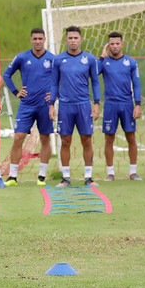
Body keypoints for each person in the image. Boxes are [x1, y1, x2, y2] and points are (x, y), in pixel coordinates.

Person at [49, 25, 100, 187]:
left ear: (81, 39)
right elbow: (53, 83)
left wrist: (97, 104)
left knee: (86, 140)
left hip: (83, 105)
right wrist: (51, 105)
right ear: (66, 40)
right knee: (65, 141)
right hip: (65, 106)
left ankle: (88, 177)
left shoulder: (89, 59)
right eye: (70, 38)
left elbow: (96, 82)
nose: (73, 41)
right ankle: (66, 178)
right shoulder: (58, 60)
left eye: (75, 38)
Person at [2, 28, 55, 186]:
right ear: (31, 40)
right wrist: (16, 92)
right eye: (35, 39)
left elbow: (61, 78)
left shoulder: (53, 59)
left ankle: (42, 177)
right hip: (26, 106)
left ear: (45, 39)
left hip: (45, 106)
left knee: (45, 138)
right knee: (18, 138)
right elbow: (6, 75)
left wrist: (54, 94)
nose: (38, 41)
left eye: (40, 38)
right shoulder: (22, 57)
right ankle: (12, 176)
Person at [98, 31, 142, 181]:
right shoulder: (104, 62)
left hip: (127, 104)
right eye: (112, 44)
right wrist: (102, 57)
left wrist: (138, 104)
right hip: (110, 104)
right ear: (108, 45)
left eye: (117, 43)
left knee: (131, 137)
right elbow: (94, 73)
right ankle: (110, 173)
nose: (115, 46)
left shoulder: (131, 62)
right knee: (109, 139)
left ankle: (133, 172)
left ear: (122, 44)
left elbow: (136, 84)